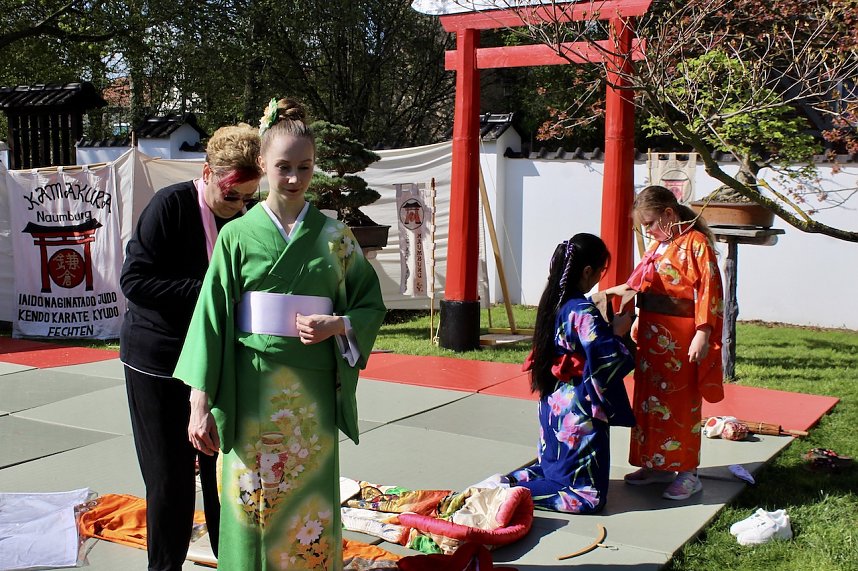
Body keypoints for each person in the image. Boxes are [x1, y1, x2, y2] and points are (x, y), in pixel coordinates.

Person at [173, 97, 386, 569]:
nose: (294, 178)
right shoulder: (237, 236)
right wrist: (200, 403)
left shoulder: (336, 237)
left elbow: (369, 303)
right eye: (283, 166)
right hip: (250, 386)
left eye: (305, 167)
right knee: (250, 500)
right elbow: (211, 319)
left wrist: (338, 323)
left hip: (310, 393)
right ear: (263, 166)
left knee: (307, 500)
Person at [120, 123, 262, 570]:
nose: (239, 207)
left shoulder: (247, 220)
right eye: (232, 196)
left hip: (217, 359)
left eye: (248, 198)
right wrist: (208, 289)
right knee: (172, 480)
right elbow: (135, 281)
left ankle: (231, 561)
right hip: (159, 359)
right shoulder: (171, 206)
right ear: (207, 173)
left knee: (223, 475)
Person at [608, 184, 724, 501]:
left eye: (650, 224)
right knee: (650, 401)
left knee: (681, 402)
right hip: (652, 334)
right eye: (644, 226)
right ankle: (656, 464)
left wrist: (704, 332)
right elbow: (640, 284)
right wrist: (631, 316)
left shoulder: (696, 243)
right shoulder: (659, 246)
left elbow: (710, 290)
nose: (648, 231)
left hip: (682, 334)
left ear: (669, 214)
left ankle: (688, 472)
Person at [509, 233, 635, 514]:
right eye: (601, 271)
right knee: (587, 496)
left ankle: (505, 484)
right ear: (587, 271)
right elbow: (605, 356)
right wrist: (619, 331)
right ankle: (509, 493)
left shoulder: (553, 302)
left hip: (554, 399)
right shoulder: (582, 309)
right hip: (578, 406)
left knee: (552, 467)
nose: (600, 277)